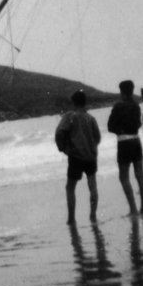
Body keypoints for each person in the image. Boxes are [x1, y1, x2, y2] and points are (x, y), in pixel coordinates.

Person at [55, 89, 101, 224]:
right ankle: (93, 216)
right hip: (91, 157)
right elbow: (97, 137)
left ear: (73, 103)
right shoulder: (91, 118)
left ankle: (71, 219)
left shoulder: (70, 116)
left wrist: (63, 149)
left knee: (70, 188)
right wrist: (92, 147)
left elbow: (59, 133)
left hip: (75, 157)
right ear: (85, 103)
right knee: (92, 186)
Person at [107, 79, 143, 215]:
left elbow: (110, 126)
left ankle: (133, 209)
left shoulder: (118, 106)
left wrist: (120, 130)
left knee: (124, 177)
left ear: (121, 91)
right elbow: (139, 124)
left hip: (124, 142)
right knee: (140, 175)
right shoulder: (136, 106)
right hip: (136, 141)